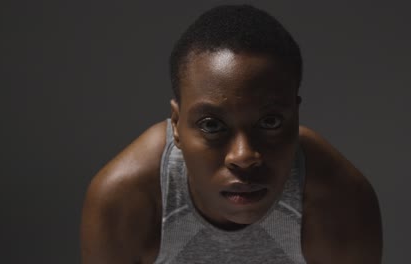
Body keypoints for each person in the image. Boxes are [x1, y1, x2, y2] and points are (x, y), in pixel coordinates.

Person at [80, 4, 382, 264]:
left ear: (296, 115)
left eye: (270, 122)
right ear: (176, 124)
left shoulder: (339, 201)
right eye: (212, 125)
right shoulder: (124, 200)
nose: (244, 157)